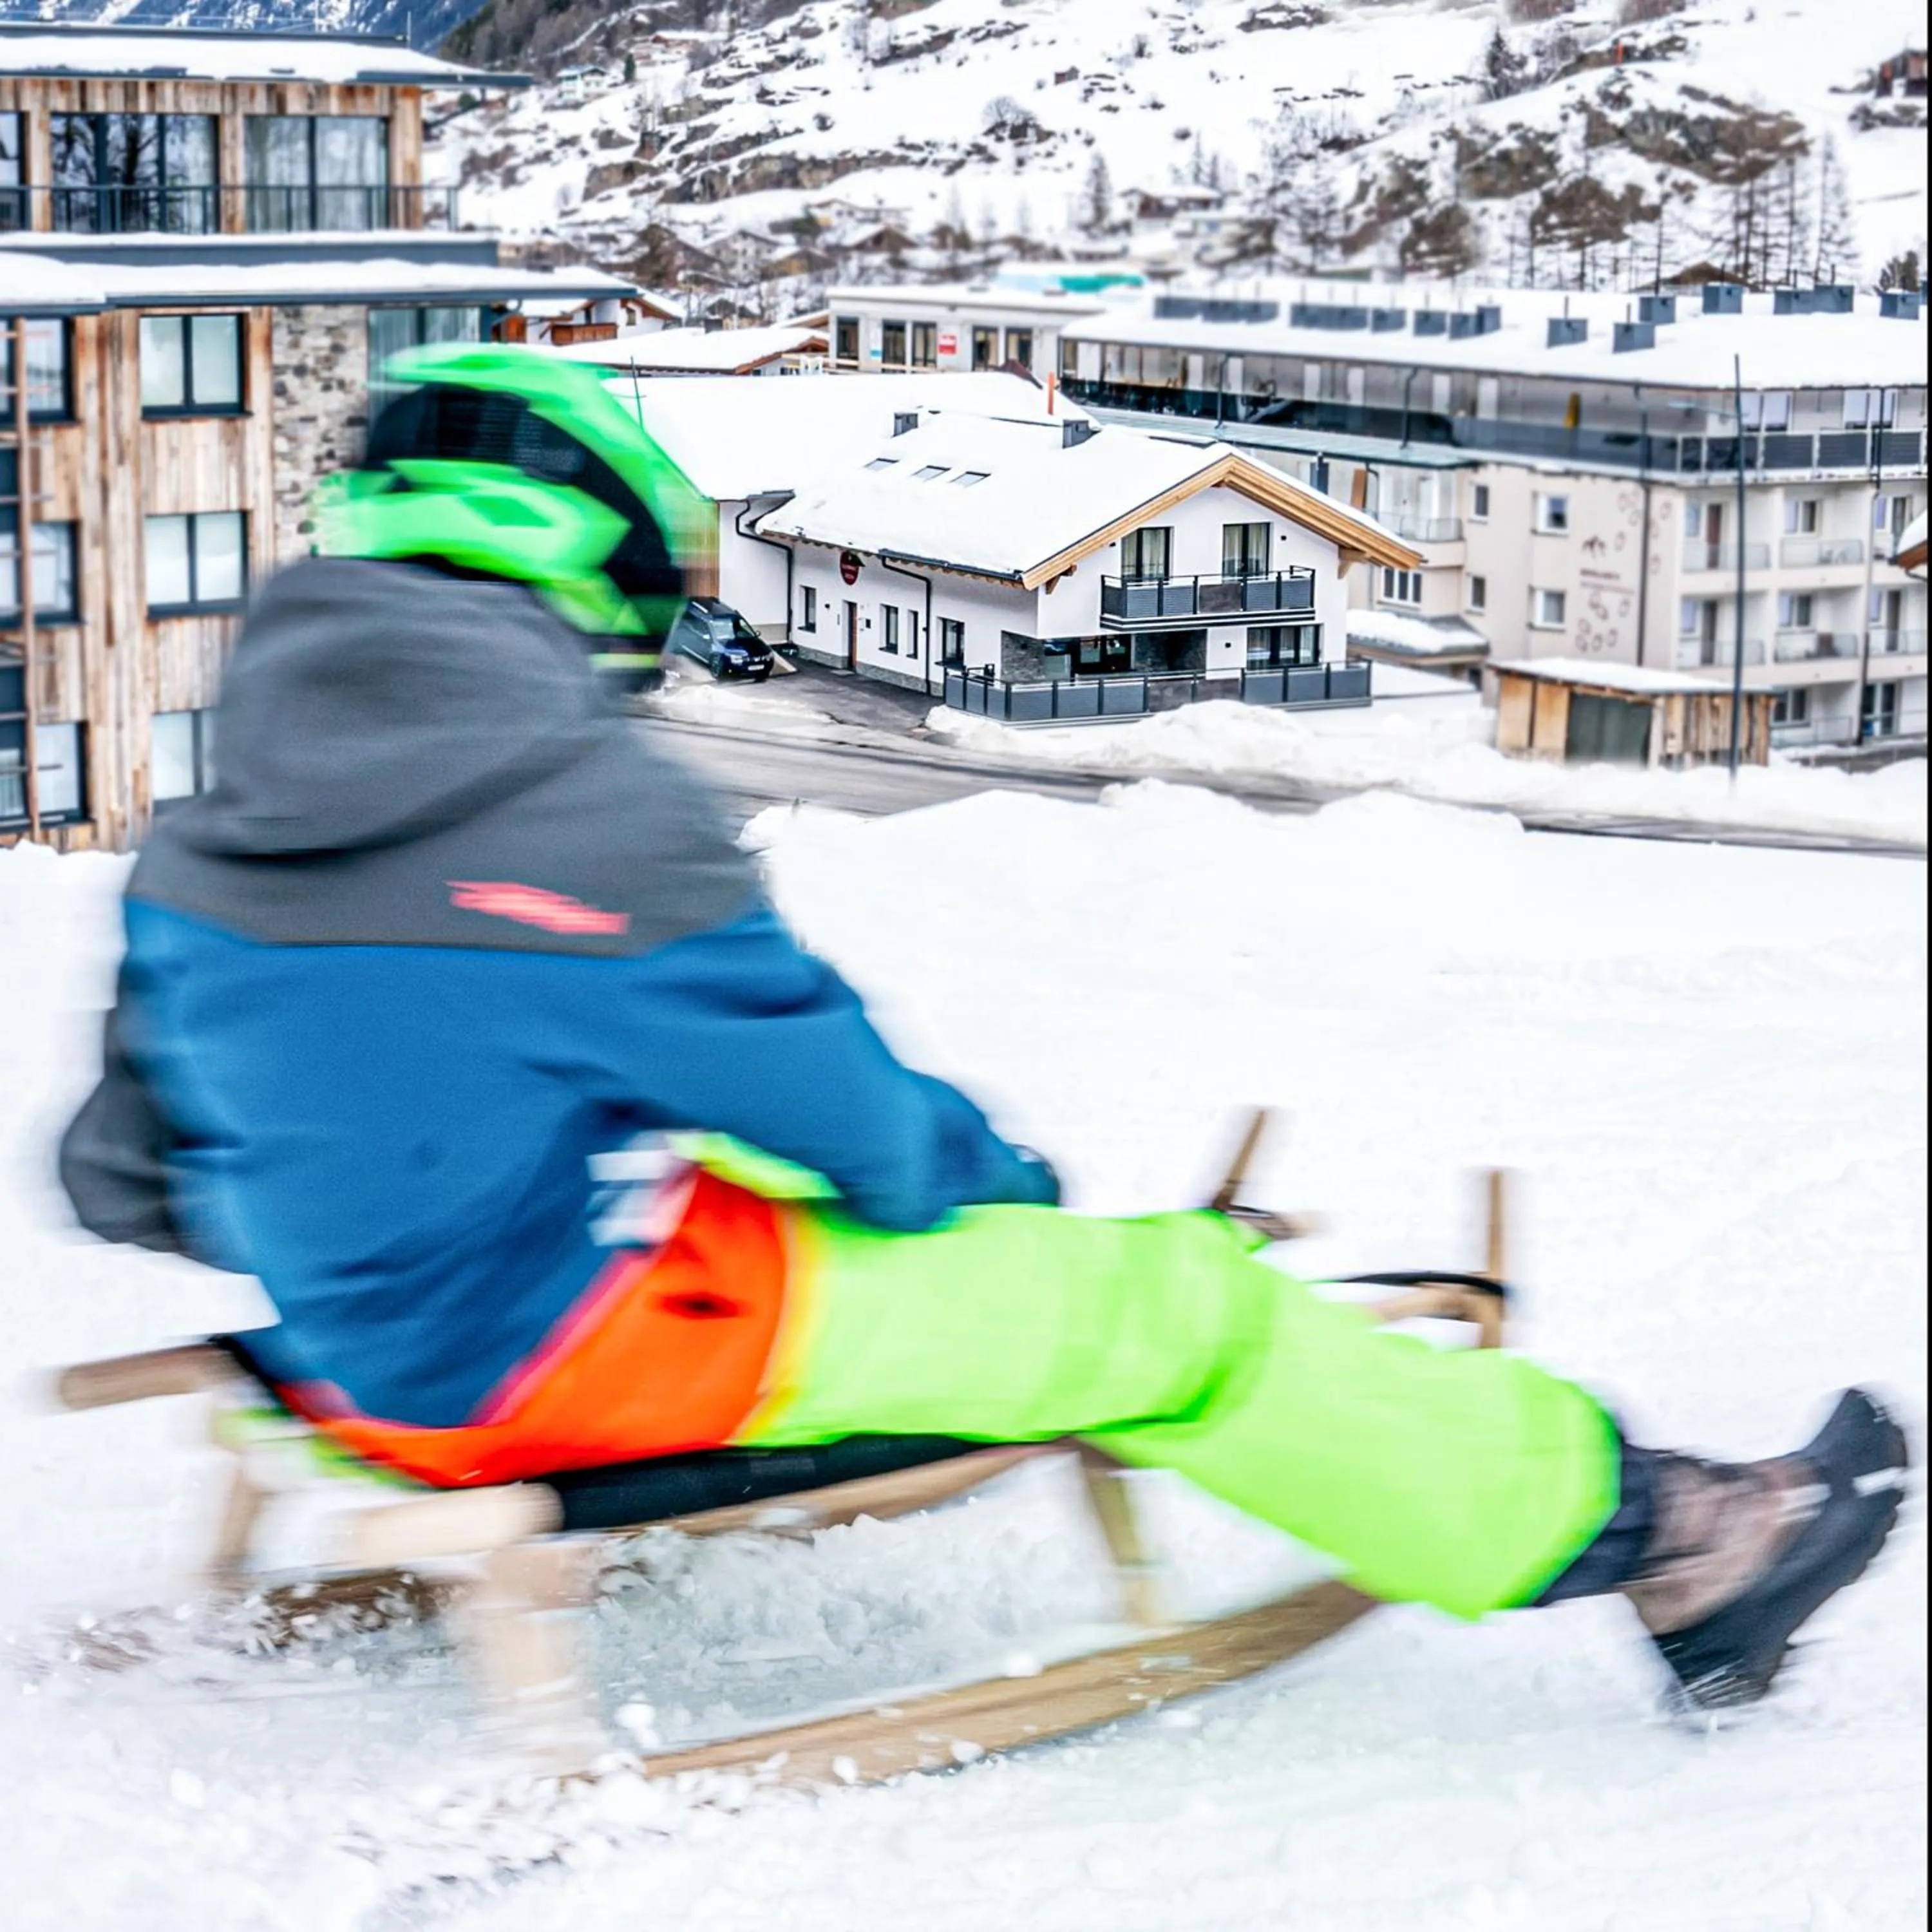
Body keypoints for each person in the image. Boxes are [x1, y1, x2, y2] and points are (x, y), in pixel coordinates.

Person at [58, 346, 1907, 1714]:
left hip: (356, 1352)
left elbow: (129, 1178)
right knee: (1171, 1310)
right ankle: (1682, 1543)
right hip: (542, 1360)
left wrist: (393, 1175)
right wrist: (1016, 1205)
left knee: (790, 1238)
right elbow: (858, 1133)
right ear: (587, 553)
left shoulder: (211, 837)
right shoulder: (569, 805)